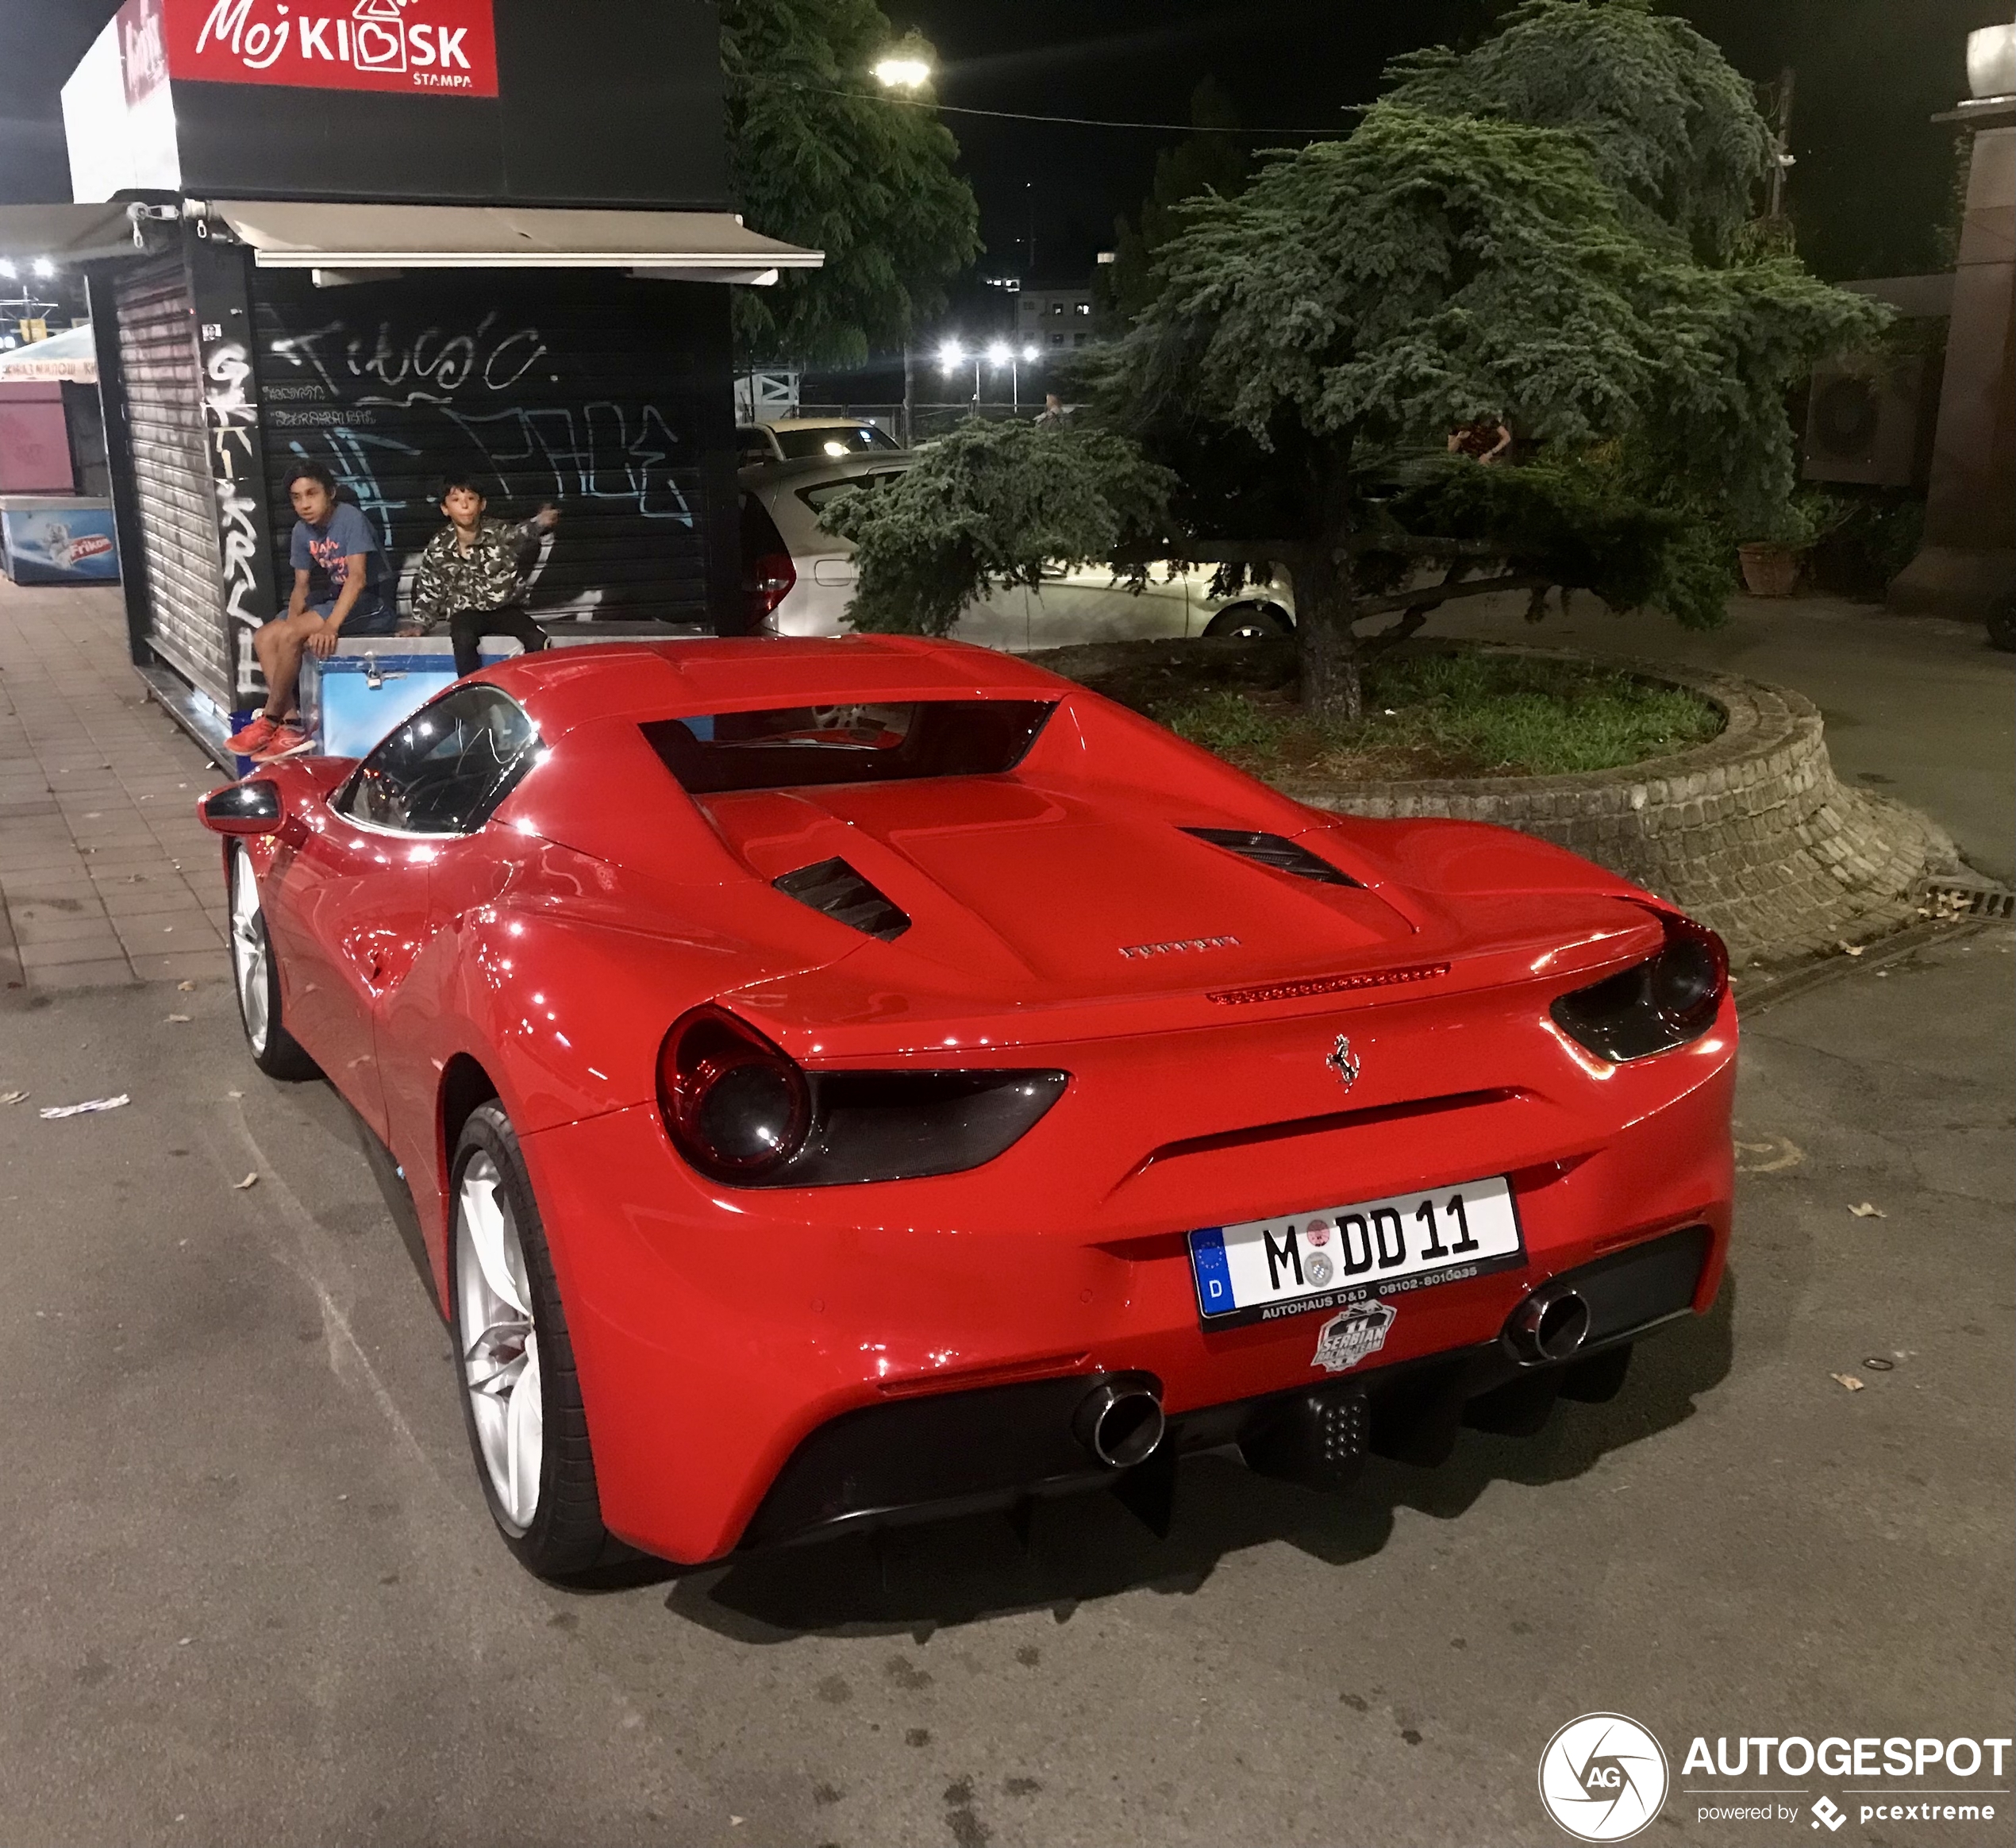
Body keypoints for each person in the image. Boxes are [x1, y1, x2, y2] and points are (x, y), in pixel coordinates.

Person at [225, 462, 396, 760]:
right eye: (296, 497)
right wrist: (290, 631)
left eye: (311, 494)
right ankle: (290, 725)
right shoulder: (301, 531)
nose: (304, 504)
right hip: (333, 597)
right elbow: (301, 587)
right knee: (267, 636)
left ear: (329, 493)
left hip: (372, 603)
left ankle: (269, 719)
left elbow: (357, 579)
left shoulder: (350, 519)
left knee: (291, 634)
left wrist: (330, 626)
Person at [407, 475, 559, 678]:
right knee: (463, 639)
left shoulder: (499, 533)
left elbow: (522, 533)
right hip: (467, 612)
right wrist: (421, 624)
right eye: (455, 500)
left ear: (482, 504)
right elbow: (430, 587)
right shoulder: (439, 546)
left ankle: (527, 687)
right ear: (445, 509)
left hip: (504, 609)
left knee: (537, 639)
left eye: (470, 498)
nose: (464, 505)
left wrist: (540, 522)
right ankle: (471, 692)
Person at [1447, 414, 1514, 464]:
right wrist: (1458, 438)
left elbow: (1507, 437)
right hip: (1465, 460)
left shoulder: (1488, 419)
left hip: (1485, 459)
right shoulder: (1457, 421)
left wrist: (1489, 454)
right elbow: (1451, 450)